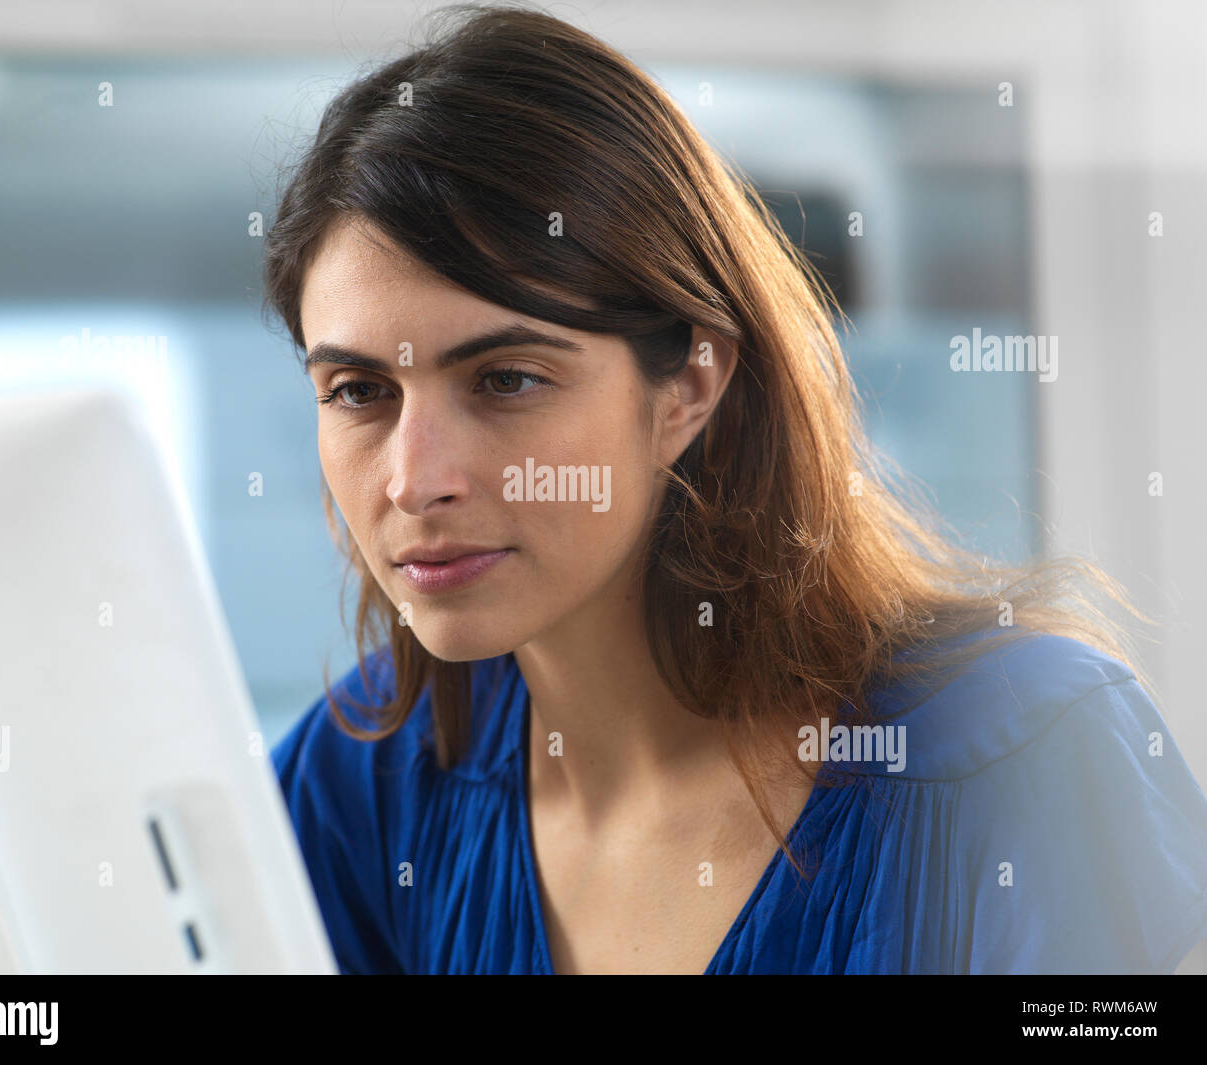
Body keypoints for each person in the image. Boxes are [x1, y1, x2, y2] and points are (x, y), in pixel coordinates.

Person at [262, 3, 1207, 974]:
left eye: (505, 379)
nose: (416, 480)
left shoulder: (1022, 753)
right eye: (359, 391)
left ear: (688, 386)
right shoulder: (361, 785)